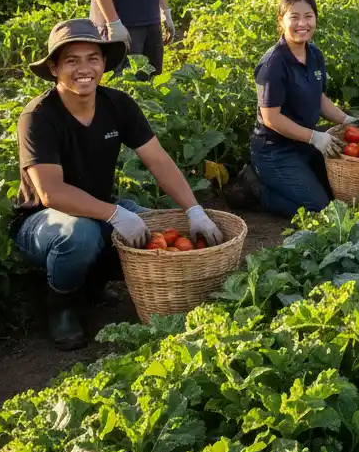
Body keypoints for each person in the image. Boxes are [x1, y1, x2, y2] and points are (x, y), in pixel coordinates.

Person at [13, 19, 223, 350]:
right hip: (41, 221)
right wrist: (115, 215)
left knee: (153, 225)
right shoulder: (39, 117)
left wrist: (194, 209)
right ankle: (60, 303)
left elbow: (159, 161)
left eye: (92, 58)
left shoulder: (117, 105)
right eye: (72, 60)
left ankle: (92, 282)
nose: (85, 69)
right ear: (54, 68)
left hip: (99, 207)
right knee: (80, 234)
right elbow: (51, 193)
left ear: (104, 64)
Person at [236, 0, 359, 216]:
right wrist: (315, 137)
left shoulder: (314, 54)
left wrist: (346, 120)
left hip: (304, 144)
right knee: (319, 210)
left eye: (308, 16)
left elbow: (319, 98)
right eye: (294, 17)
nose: (302, 24)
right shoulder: (273, 64)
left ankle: (296, 179)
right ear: (281, 21)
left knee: (341, 192)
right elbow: (271, 118)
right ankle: (258, 191)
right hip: (275, 151)